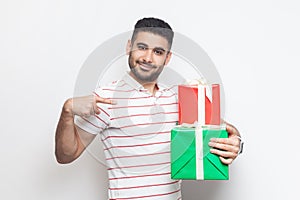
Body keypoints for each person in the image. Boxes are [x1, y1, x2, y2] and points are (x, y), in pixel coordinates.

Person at [55, 17, 243, 200]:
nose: (147, 58)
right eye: (142, 47)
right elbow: (65, 155)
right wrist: (67, 111)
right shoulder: (106, 98)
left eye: (158, 52)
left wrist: (236, 143)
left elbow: (222, 131)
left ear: (167, 58)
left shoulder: (178, 98)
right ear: (129, 47)